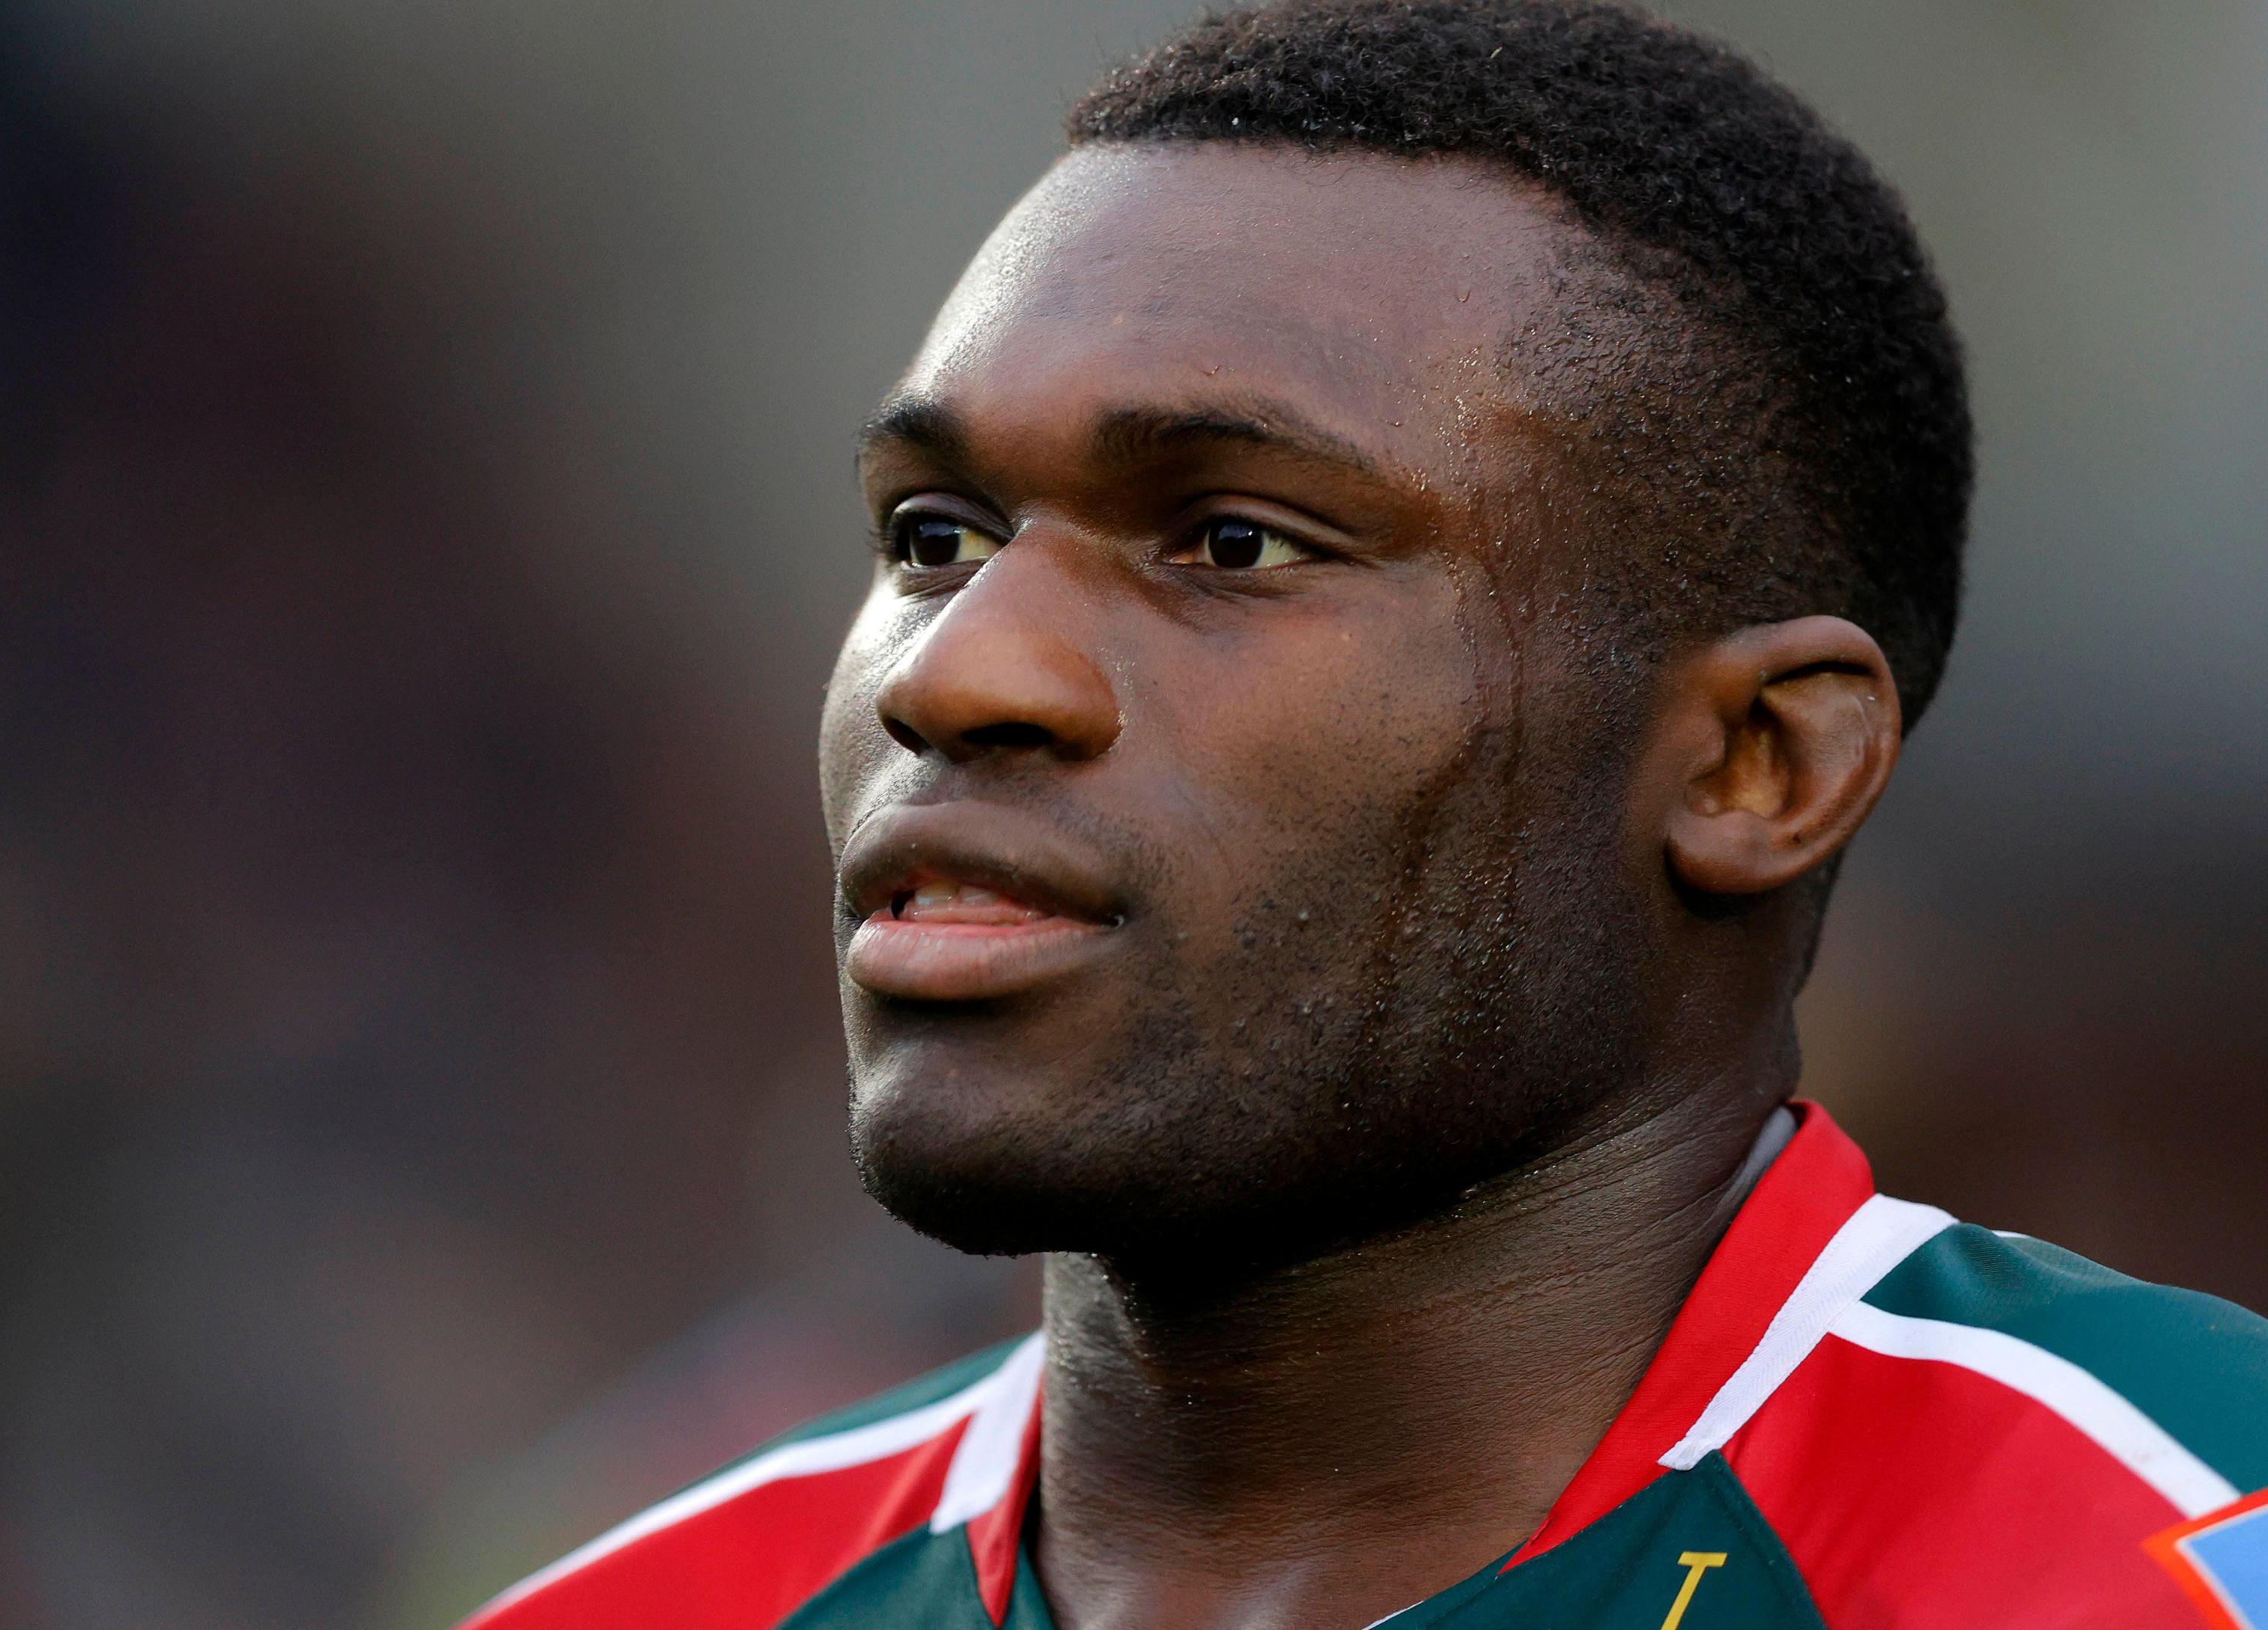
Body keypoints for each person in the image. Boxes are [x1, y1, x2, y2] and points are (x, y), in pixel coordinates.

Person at [461, 2, 2268, 1626]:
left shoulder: (2176, 1556)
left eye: (1233, 543)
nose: (960, 674)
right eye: (933, 540)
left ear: (1754, 768)